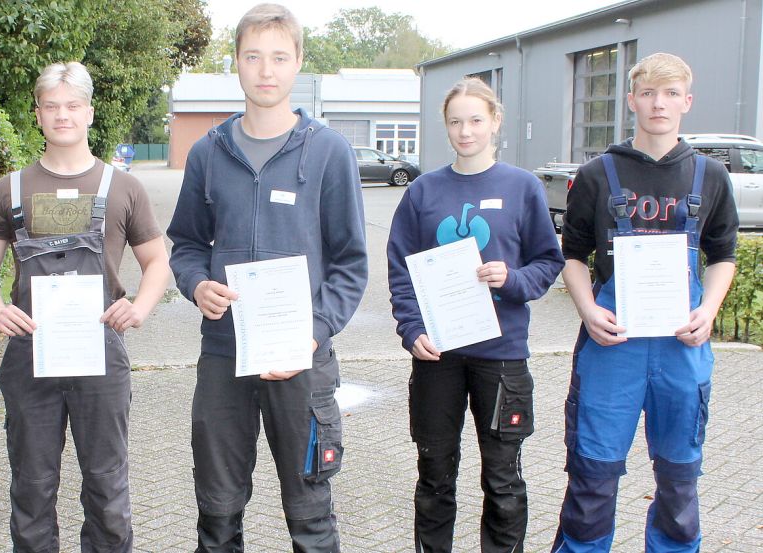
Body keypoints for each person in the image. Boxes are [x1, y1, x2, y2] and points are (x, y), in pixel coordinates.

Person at [166, 4, 368, 552]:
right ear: (236, 62)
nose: (266, 70)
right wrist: (195, 285)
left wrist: (316, 330)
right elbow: (185, 244)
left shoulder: (329, 152)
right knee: (217, 512)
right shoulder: (208, 153)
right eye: (253, 56)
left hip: (301, 359)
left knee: (311, 514)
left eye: (279, 57)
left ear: (298, 63)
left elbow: (351, 261)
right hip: (224, 357)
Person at [0, 62, 170, 552]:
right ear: (37, 114)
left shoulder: (122, 187)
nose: (63, 115)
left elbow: (157, 259)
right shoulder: (9, 189)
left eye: (72, 106)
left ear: (90, 113)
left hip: (99, 352)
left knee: (106, 484)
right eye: (52, 106)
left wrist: (140, 306)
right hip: (29, 354)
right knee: (33, 486)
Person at [551, 53, 737, 553]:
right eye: (650, 93)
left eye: (671, 93)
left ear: (687, 102)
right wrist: (588, 310)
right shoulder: (596, 174)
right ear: (631, 100)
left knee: (679, 478)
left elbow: (724, 256)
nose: (660, 104)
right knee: (593, 474)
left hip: (682, 345)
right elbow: (571, 255)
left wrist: (710, 311)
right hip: (613, 346)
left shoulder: (710, 176)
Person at [386, 78, 564, 553]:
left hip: (502, 356)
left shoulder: (522, 187)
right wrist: (412, 329)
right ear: (445, 126)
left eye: (475, 120)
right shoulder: (423, 191)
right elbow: (402, 270)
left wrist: (511, 279)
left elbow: (549, 263)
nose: (465, 131)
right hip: (438, 355)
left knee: (503, 482)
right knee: (434, 477)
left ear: (495, 122)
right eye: (455, 121)